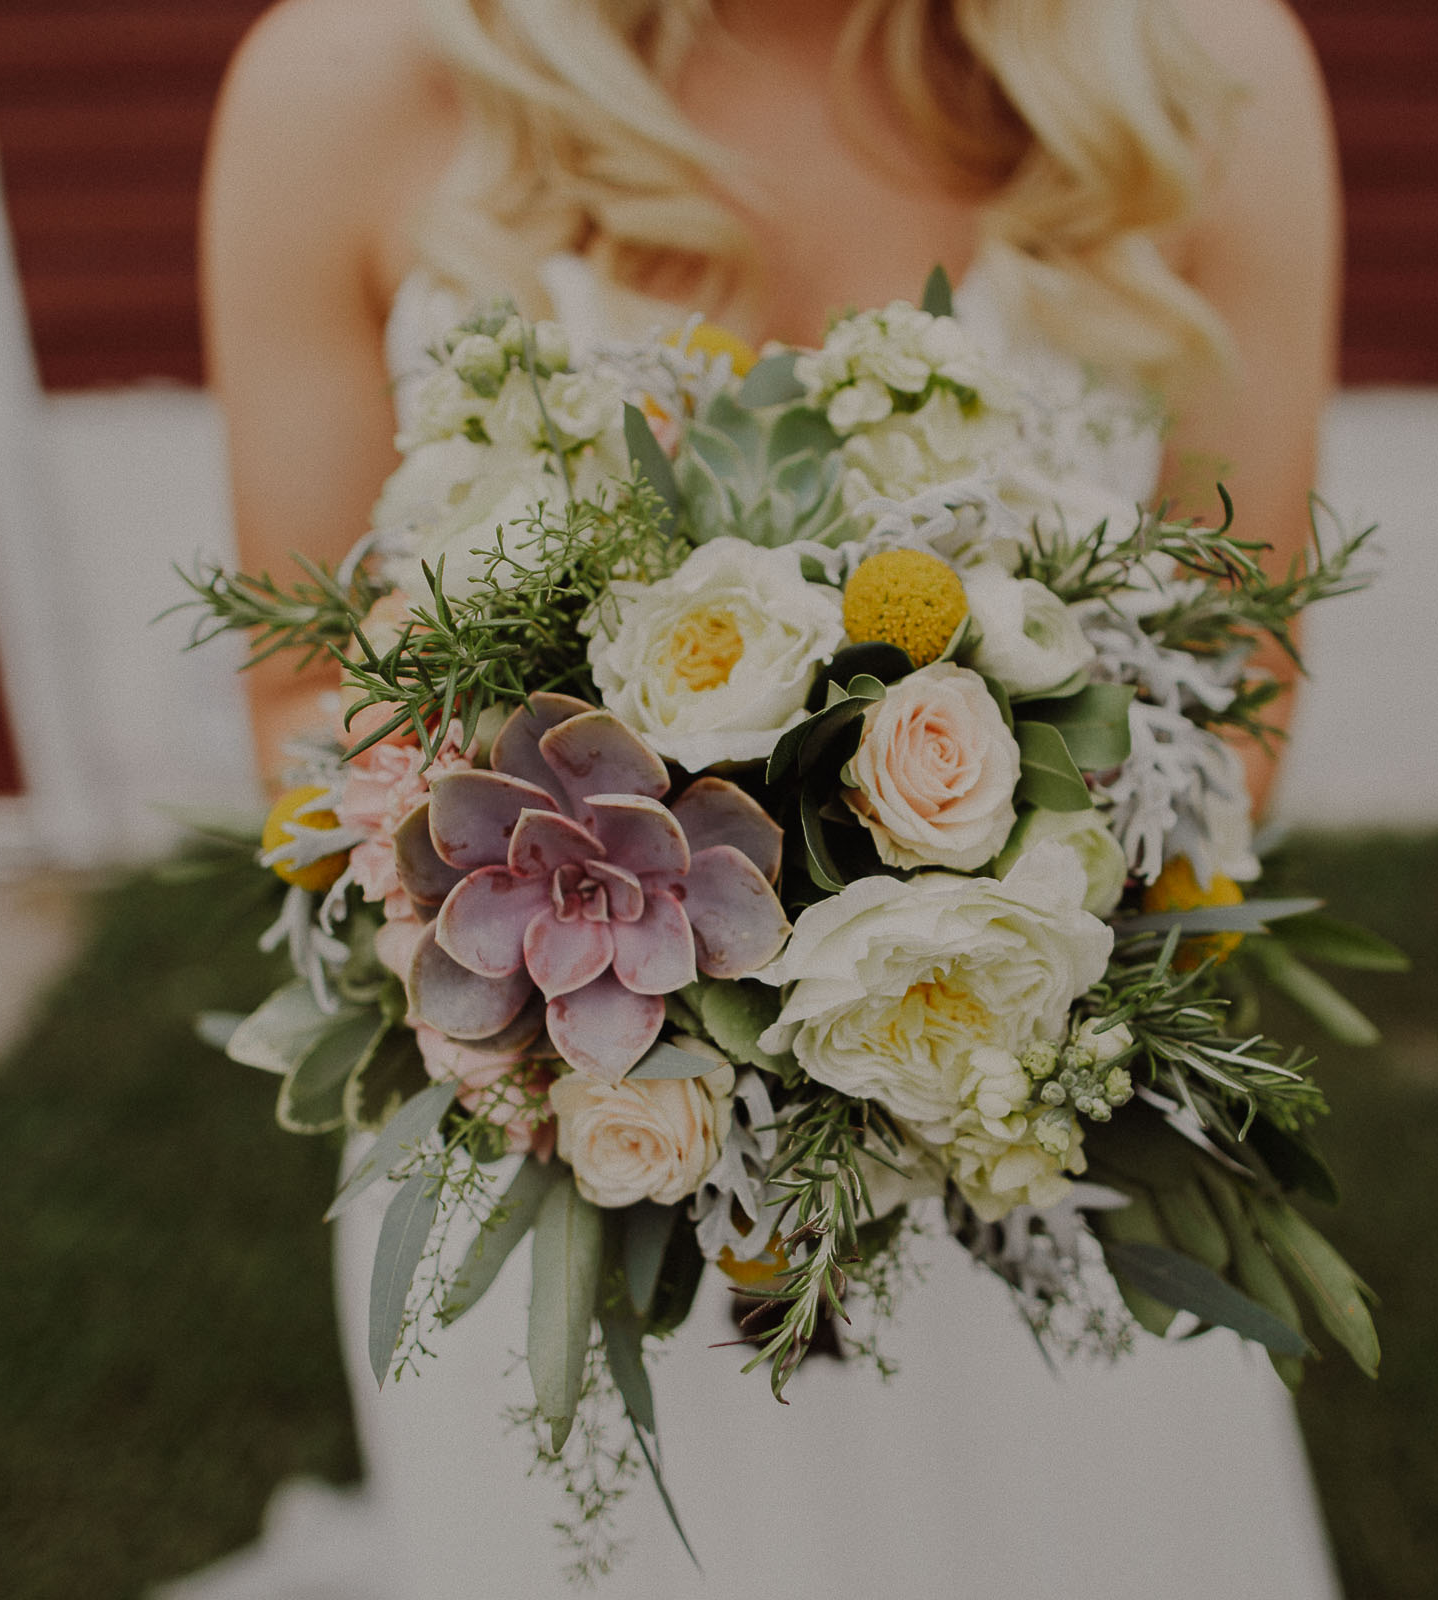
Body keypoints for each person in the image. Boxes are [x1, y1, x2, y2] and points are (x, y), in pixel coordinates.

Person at [179, 1, 1344, 1593]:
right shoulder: (345, 81)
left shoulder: (1208, 67)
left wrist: (951, 999)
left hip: (1039, 1133)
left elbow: (1246, 664)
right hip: (582, 1138)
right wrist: (618, 1026)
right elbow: (302, 698)